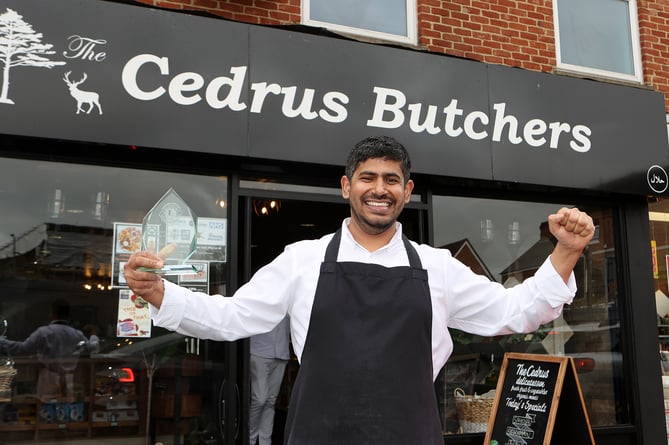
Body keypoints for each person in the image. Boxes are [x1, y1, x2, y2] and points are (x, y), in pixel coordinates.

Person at [123, 135, 595, 444]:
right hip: (319, 434)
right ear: (347, 186)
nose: (380, 188)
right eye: (368, 177)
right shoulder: (302, 258)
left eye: (392, 180)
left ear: (407, 191)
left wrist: (566, 252)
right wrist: (160, 291)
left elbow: (514, 312)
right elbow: (232, 316)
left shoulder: (437, 267)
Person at [0, 298, 96, 401]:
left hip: (48, 379)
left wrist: (1, 341)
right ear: (68, 314)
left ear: (52, 312)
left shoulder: (44, 332)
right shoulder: (77, 334)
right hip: (70, 379)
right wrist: (94, 334)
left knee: (45, 408)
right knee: (67, 408)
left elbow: (23, 349)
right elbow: (93, 347)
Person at [249, 316, 290, 445]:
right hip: (259, 349)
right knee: (260, 399)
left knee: (271, 401)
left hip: (281, 350)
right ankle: (250, 438)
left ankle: (265, 441)